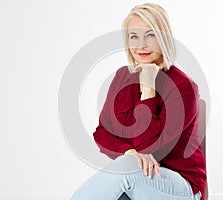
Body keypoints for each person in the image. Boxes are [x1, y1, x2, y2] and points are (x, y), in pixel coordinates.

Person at [71, 3, 206, 200]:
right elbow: (102, 133)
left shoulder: (184, 87)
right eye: (134, 36)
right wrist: (128, 151)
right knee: (124, 172)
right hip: (137, 180)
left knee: (126, 168)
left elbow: (151, 148)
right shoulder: (121, 77)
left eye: (150, 35)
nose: (141, 45)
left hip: (181, 186)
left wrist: (148, 87)